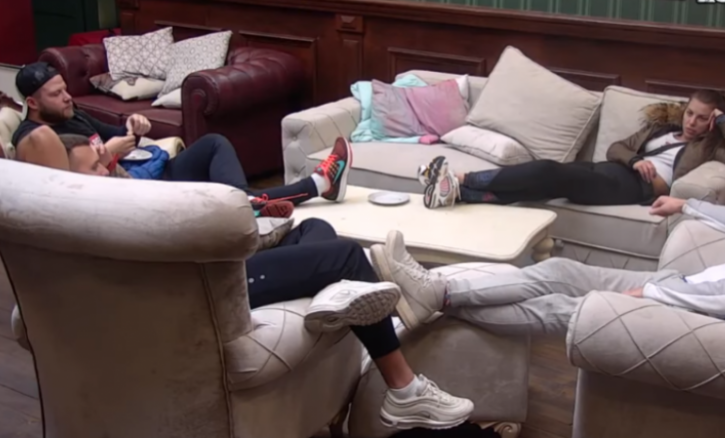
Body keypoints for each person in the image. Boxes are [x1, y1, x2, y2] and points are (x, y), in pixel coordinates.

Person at [52, 136, 476, 430]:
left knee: (314, 229)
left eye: (102, 161)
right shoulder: (95, 223)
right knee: (346, 256)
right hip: (206, 285)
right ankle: (404, 390)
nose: (106, 168)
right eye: (95, 168)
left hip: (215, 263)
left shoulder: (101, 206)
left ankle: (338, 296)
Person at [374, 138, 725, 337]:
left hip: (696, 307)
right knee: (557, 269)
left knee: (561, 309)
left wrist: (652, 293)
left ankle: (434, 301)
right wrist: (688, 205)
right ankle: (437, 292)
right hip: (686, 285)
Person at [12, 61, 349, 215]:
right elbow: (65, 199)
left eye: (65, 89)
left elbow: (121, 136)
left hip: (148, 172)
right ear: (32, 103)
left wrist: (134, 127)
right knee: (236, 200)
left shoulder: (71, 114)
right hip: (134, 196)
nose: (67, 97)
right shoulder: (38, 138)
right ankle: (314, 185)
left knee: (214, 143)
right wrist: (108, 156)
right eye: (56, 95)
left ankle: (248, 204)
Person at [419, 89, 725, 209]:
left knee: (547, 169)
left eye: (702, 118)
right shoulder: (662, 129)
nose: (692, 122)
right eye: (690, 113)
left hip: (630, 188)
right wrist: (636, 159)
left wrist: (724, 122)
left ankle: (461, 178)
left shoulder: (710, 148)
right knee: (542, 185)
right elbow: (616, 148)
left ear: (713, 121)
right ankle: (459, 195)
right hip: (610, 170)